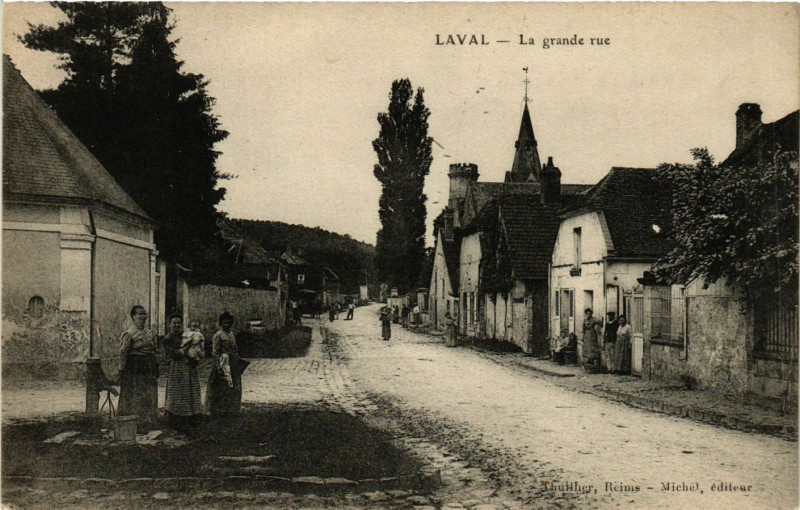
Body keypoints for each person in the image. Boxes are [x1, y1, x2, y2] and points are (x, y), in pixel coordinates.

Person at [117, 305, 159, 427]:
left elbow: (153, 350)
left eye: (144, 314)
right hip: (134, 367)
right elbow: (123, 353)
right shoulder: (129, 333)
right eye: (139, 314)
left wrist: (156, 366)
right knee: (136, 394)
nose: (143, 316)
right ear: (133, 317)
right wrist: (121, 370)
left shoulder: (149, 333)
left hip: (148, 366)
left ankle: (148, 420)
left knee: (149, 393)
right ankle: (134, 423)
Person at [163, 315, 204, 434]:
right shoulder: (167, 339)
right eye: (174, 323)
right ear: (169, 324)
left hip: (189, 367)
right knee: (177, 393)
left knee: (191, 392)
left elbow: (197, 348)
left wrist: (195, 358)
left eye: (179, 323)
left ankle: (191, 418)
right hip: (177, 368)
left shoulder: (186, 335)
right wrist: (189, 345)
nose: (177, 325)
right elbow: (177, 354)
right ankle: (177, 420)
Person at [205, 312, 242, 416]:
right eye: (224, 323)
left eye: (229, 323)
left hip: (232, 364)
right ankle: (218, 409)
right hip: (223, 363)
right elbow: (215, 352)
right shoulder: (218, 335)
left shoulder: (231, 334)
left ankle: (231, 408)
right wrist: (218, 367)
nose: (227, 325)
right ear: (221, 323)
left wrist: (237, 360)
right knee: (221, 386)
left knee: (233, 386)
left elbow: (235, 350)